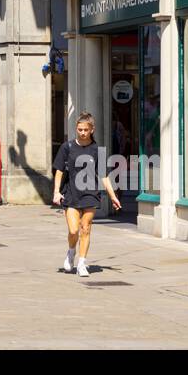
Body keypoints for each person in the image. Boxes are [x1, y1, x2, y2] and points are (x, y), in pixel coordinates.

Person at [52, 113, 122, 277]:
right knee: (73, 230)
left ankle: (82, 263)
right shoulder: (67, 147)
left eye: (85, 130)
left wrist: (113, 196)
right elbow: (59, 171)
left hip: (91, 194)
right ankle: (71, 252)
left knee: (86, 228)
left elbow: (104, 176)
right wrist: (56, 192)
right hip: (71, 194)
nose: (82, 132)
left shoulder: (98, 150)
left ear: (92, 130)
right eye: (79, 129)